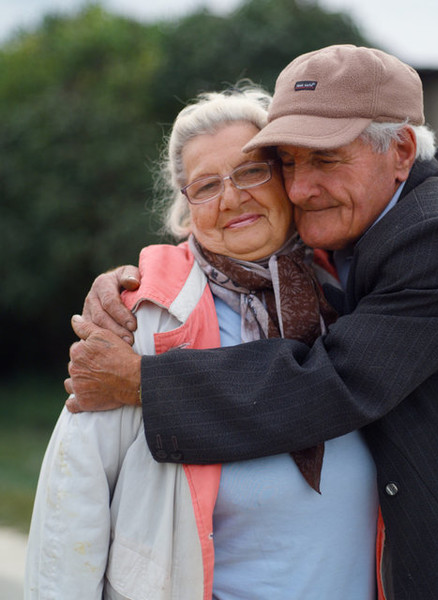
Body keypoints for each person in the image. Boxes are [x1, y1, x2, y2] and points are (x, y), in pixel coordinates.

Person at [66, 45, 438, 599]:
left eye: (325, 159)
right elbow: (237, 234)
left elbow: (334, 379)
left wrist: (141, 382)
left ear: (400, 150)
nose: (299, 189)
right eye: (288, 162)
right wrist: (144, 277)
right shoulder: (365, 213)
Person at [25, 85, 380, 599]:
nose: (233, 197)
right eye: (206, 186)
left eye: (252, 171)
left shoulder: (349, 292)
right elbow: (70, 498)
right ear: (188, 208)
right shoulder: (144, 315)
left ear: (287, 180)